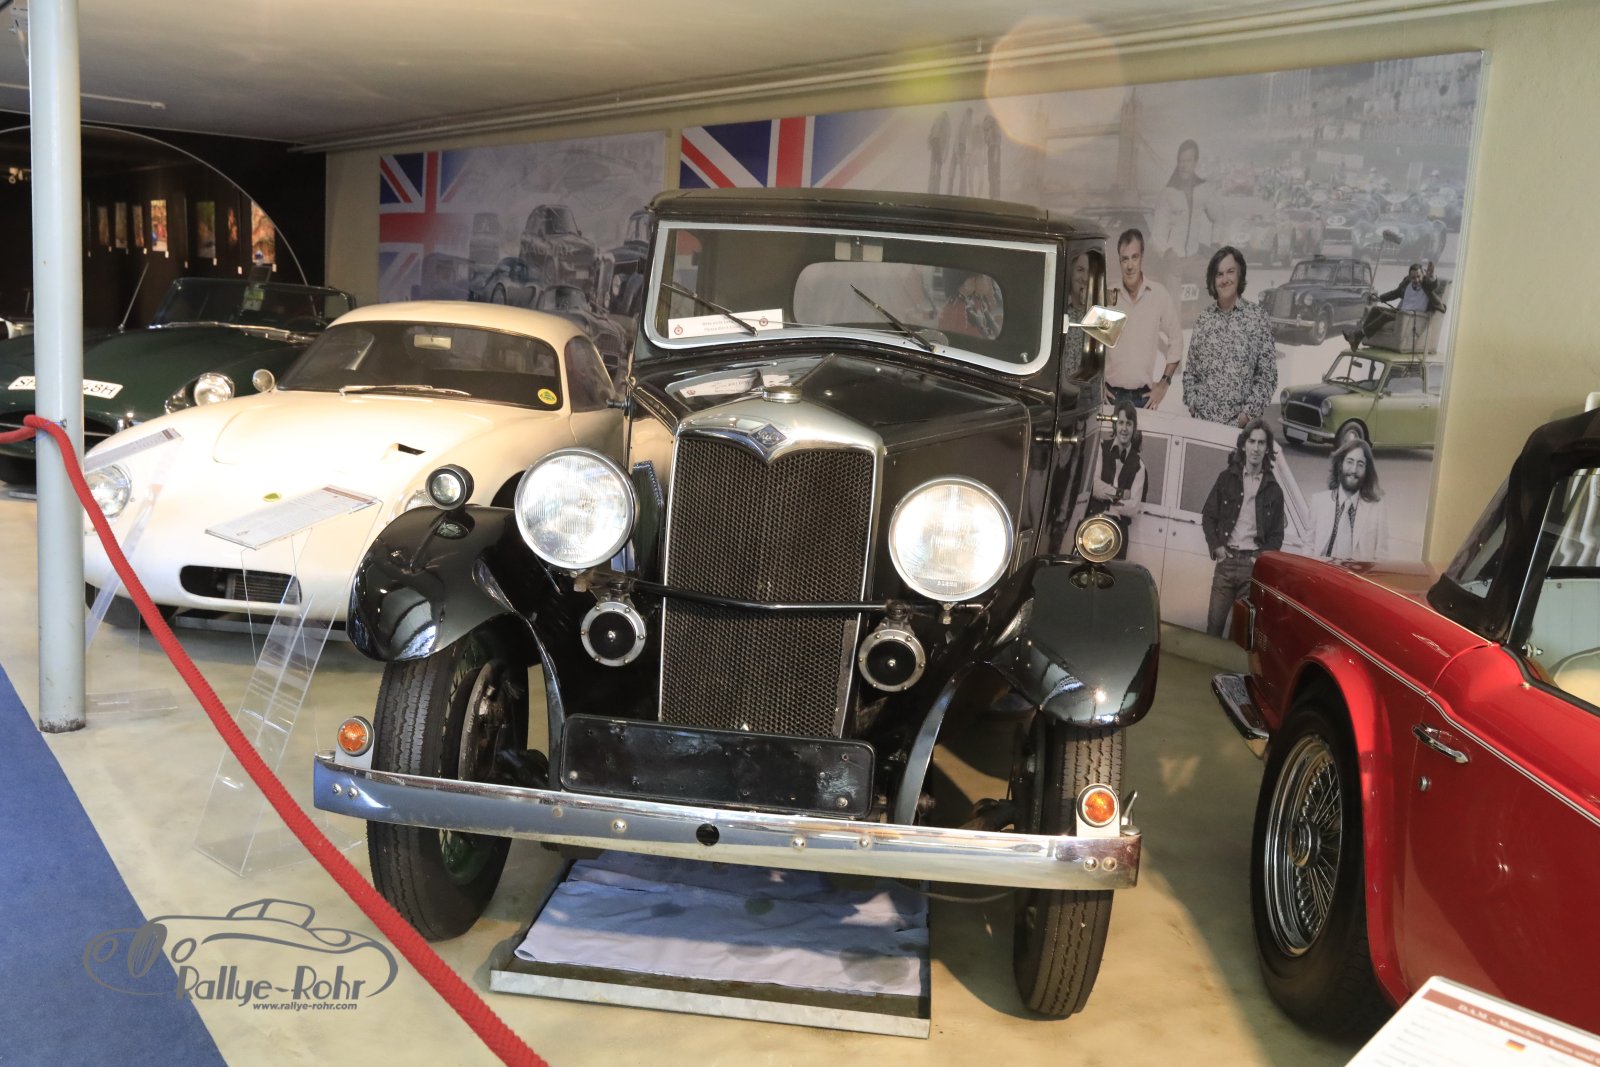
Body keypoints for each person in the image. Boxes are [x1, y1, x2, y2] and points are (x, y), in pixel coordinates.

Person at [1200, 419, 1285, 636]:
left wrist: (1258, 558)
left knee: (1239, 634)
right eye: (1252, 441)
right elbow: (1208, 516)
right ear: (1244, 445)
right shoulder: (1226, 478)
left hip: (1251, 568)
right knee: (1214, 627)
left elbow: (1276, 536)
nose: (1256, 448)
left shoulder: (1274, 490)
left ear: (1267, 448)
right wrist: (1217, 547)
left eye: (1261, 443)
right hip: (1226, 563)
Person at [1183, 246, 1278, 427]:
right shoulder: (1204, 319)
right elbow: (1190, 371)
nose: (1225, 279)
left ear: (1240, 274)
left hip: (1239, 429)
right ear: (1213, 280)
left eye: (1230, 272)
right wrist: (1192, 403)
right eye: (1219, 274)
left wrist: (1246, 416)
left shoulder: (1257, 318)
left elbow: (1268, 377)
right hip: (1202, 426)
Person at [1104, 229, 1181, 410]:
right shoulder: (1107, 295)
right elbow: (1092, 344)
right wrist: (1096, 383)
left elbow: (1176, 339)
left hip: (1144, 398)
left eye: (1134, 257)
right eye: (1125, 259)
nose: (1130, 265)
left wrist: (1164, 383)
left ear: (1142, 257)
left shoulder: (1158, 294)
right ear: (1119, 261)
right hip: (1109, 397)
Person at [1311, 437, 1389, 560]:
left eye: (1360, 464)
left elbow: (1381, 558)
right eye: (1349, 462)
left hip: (1358, 572)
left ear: (1367, 470)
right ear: (1340, 464)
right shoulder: (1318, 502)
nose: (1354, 470)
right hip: (1323, 570)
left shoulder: (1377, 508)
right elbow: (1308, 547)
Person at [1150, 139, 1227, 264]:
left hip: (1193, 258)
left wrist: (1216, 243)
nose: (1184, 166)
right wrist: (1167, 253)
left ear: (1195, 162)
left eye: (1188, 161)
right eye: (1181, 161)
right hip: (1171, 260)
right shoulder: (1167, 193)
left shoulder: (1203, 189)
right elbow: (1157, 234)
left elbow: (1220, 216)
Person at [1086, 399, 1145, 558]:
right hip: (1093, 525)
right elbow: (1094, 486)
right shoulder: (1101, 447)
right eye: (1121, 423)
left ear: (1134, 428)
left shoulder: (1139, 466)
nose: (1124, 429)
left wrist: (1110, 506)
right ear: (1114, 425)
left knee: (1113, 573)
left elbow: (1133, 507)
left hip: (1119, 532)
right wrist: (1121, 494)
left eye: (1129, 424)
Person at [1343, 261, 1447, 350]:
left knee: (1385, 315)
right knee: (1375, 309)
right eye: (1413, 278)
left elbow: (1434, 285)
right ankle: (1357, 340)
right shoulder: (1407, 284)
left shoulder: (1426, 285)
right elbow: (1395, 293)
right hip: (1401, 312)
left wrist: (1431, 275)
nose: (1416, 280)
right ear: (1409, 277)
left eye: (1418, 277)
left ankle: (1357, 335)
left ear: (1423, 275)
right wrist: (1380, 298)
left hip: (1412, 317)